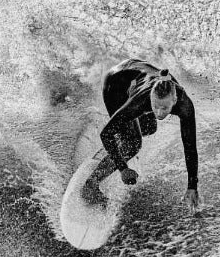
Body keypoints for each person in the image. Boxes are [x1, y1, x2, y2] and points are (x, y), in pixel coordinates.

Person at [82, 58, 201, 212]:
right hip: (116, 83)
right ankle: (90, 186)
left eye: (164, 108)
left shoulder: (185, 106)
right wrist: (123, 168)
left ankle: (118, 143)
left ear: (175, 100)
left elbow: (190, 148)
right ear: (151, 97)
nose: (159, 112)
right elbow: (106, 133)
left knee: (150, 128)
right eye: (155, 106)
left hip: (134, 72)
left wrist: (192, 187)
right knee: (132, 145)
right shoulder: (140, 102)